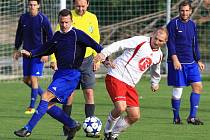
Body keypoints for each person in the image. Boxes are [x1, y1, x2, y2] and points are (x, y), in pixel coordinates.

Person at [14, 9, 103, 140]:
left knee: (45, 96)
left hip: (71, 74)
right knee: (48, 105)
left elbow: (96, 45)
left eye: (67, 22)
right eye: (62, 22)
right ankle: (72, 124)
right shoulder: (57, 36)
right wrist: (31, 53)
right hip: (60, 74)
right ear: (59, 21)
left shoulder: (78, 34)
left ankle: (27, 129)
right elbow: (46, 48)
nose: (64, 25)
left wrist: (104, 58)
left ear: (71, 21)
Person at [94, 27, 168, 140]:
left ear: (164, 42)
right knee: (121, 107)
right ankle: (108, 132)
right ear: (152, 35)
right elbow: (119, 44)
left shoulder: (159, 55)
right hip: (117, 76)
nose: (157, 42)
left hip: (130, 84)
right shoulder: (141, 41)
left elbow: (155, 69)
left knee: (134, 116)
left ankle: (113, 135)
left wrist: (154, 82)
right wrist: (104, 54)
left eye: (160, 41)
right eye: (155, 38)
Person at [50, 0, 101, 137]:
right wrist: (53, 60)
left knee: (89, 93)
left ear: (88, 4)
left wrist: (97, 57)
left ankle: (90, 128)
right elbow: (56, 40)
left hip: (88, 60)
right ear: (74, 4)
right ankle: (67, 126)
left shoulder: (92, 18)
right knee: (69, 96)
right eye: (78, 6)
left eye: (83, 6)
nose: (80, 8)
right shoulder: (67, 18)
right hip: (70, 64)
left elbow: (95, 38)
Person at [167, 0, 205, 125]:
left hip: (191, 63)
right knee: (178, 90)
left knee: (198, 87)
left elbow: (195, 44)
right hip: (178, 63)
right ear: (179, 11)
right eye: (182, 10)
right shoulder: (173, 24)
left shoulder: (193, 25)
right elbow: (170, 43)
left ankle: (192, 117)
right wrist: (175, 59)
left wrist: (198, 59)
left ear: (190, 11)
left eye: (187, 10)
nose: (184, 13)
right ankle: (176, 117)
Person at [13, 0, 53, 114]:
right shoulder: (23, 18)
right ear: (28, 5)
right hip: (26, 53)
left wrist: (46, 53)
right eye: (30, 5)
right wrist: (16, 49)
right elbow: (19, 34)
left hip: (39, 54)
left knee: (33, 78)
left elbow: (50, 37)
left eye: (34, 5)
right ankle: (43, 95)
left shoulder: (43, 19)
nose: (32, 6)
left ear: (39, 6)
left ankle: (31, 107)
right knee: (26, 80)